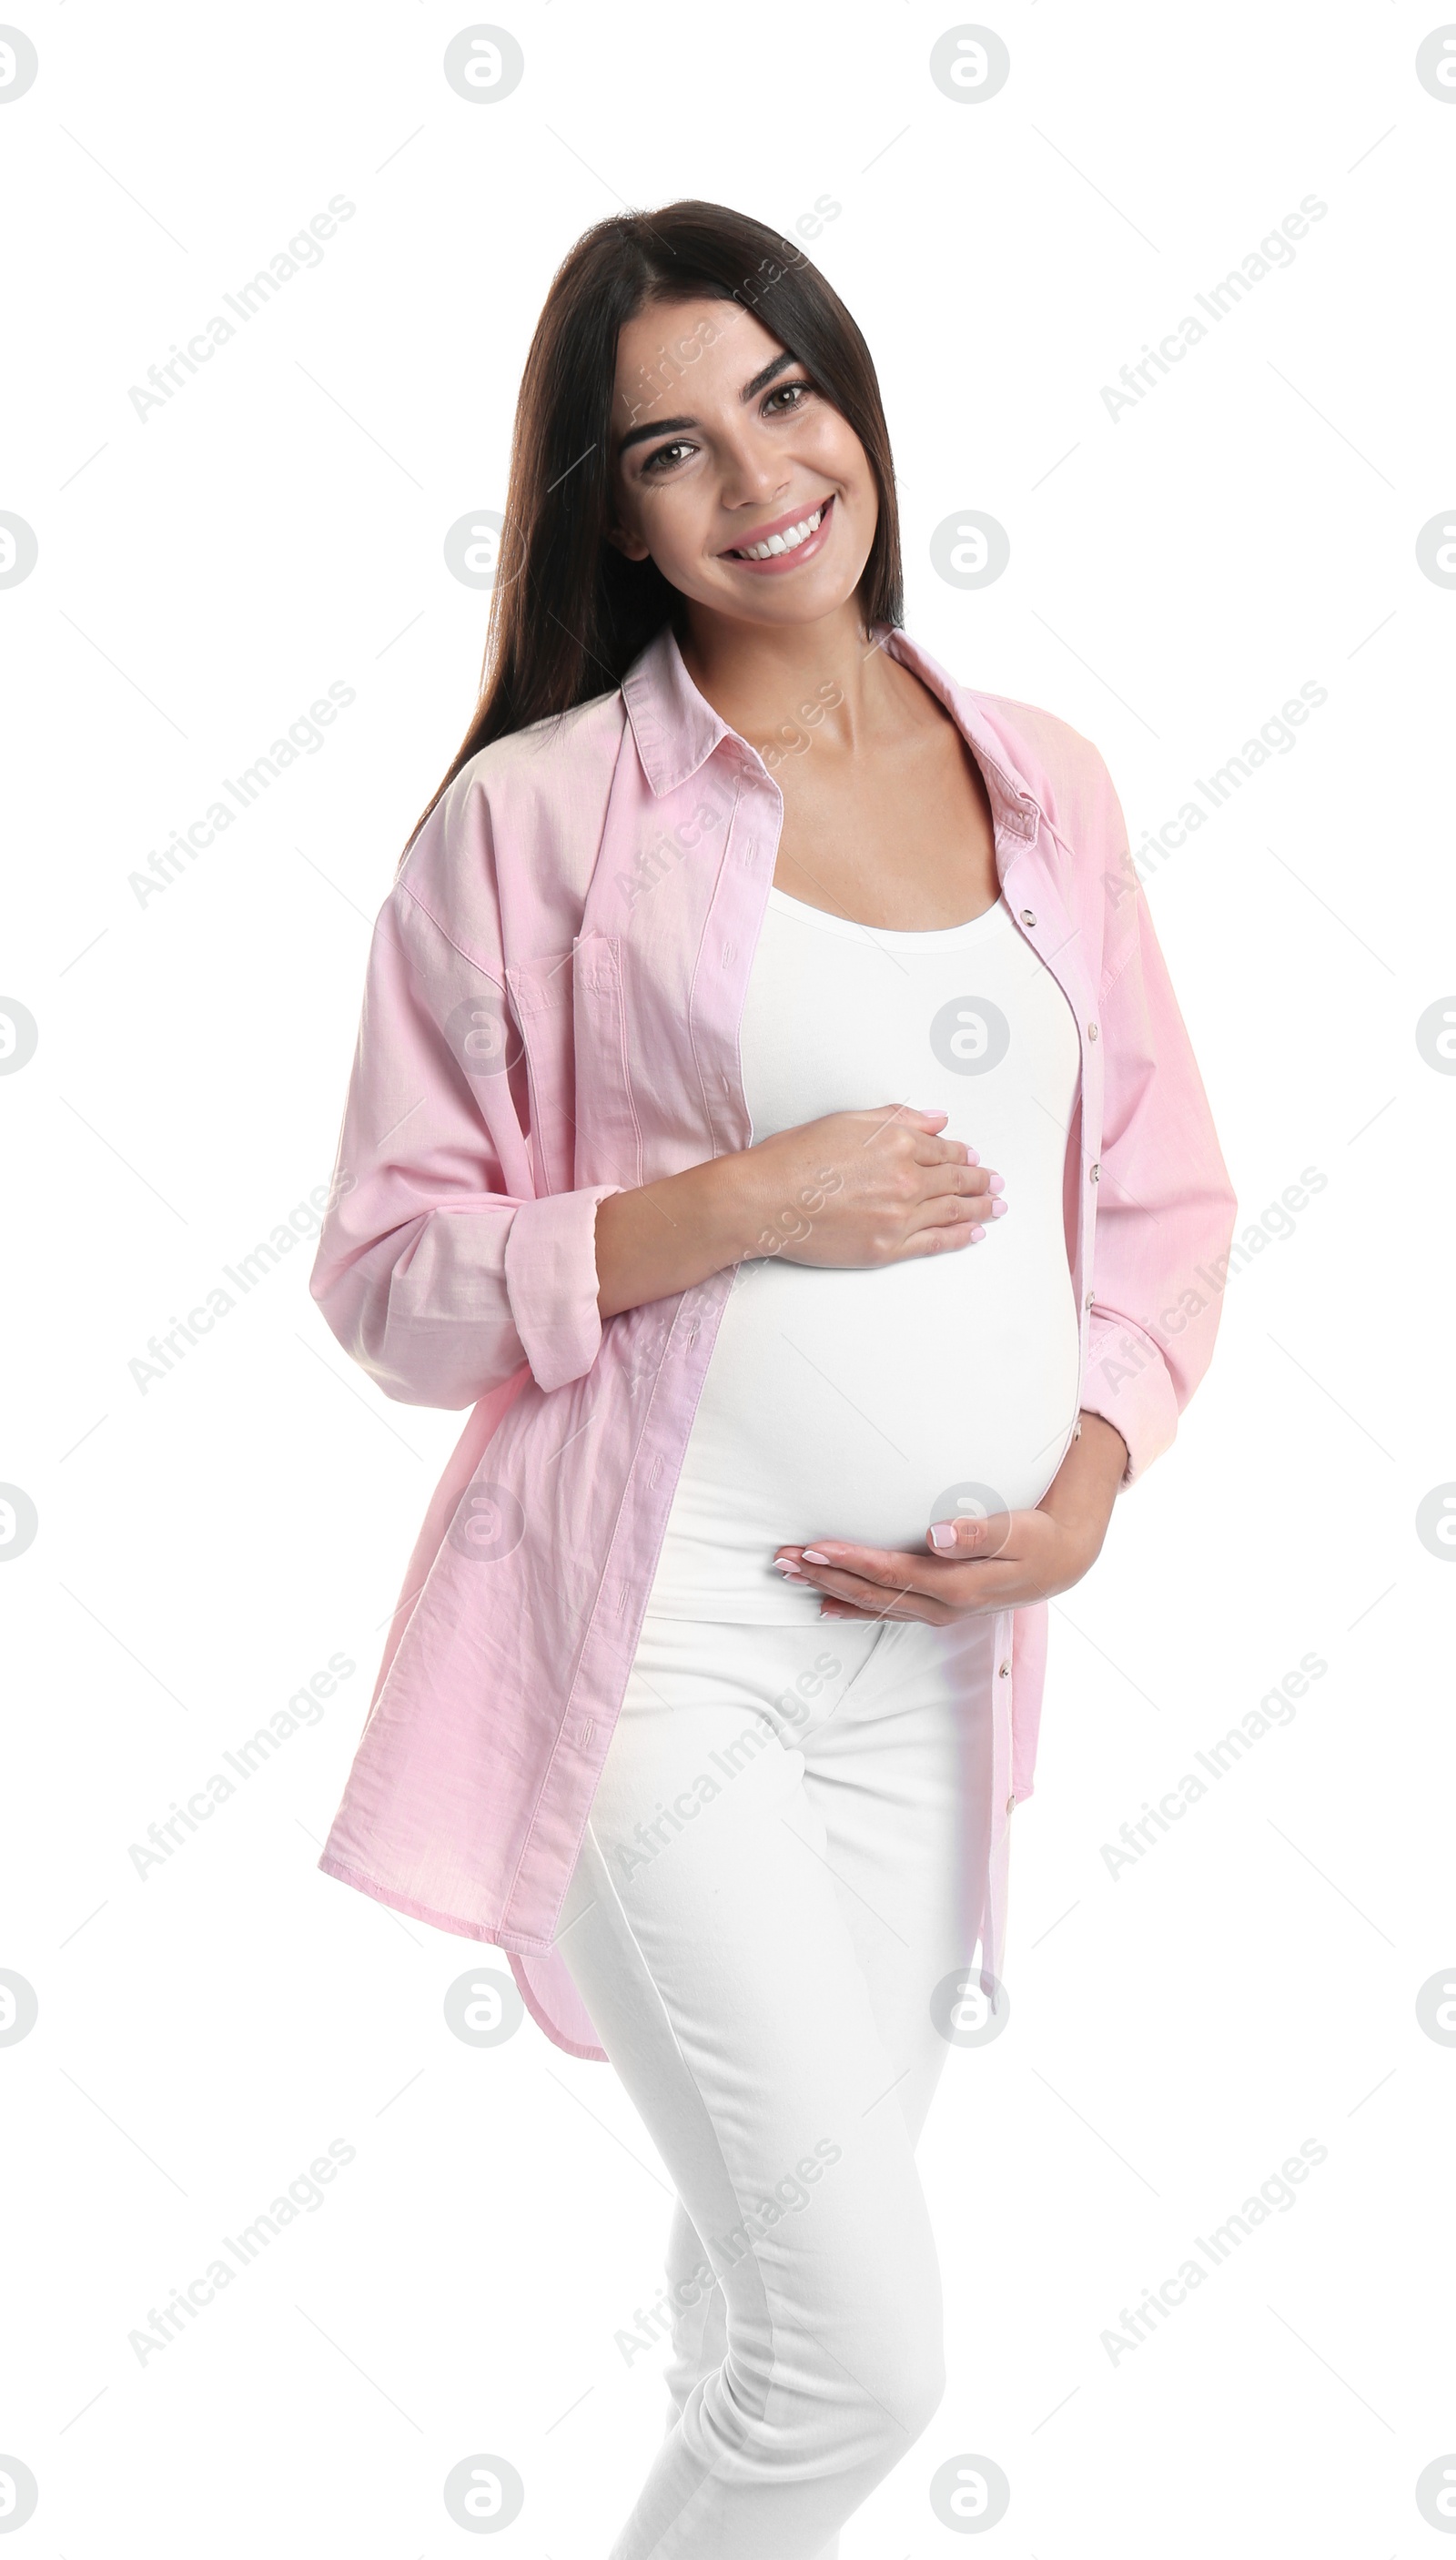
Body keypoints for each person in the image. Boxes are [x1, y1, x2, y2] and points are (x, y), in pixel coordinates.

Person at [309, 200, 1237, 2558]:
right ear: (608, 516)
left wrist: (1095, 1481)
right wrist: (730, 1205)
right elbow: (390, 1279)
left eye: (785, 399)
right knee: (856, 2362)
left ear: (855, 402)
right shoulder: (534, 826)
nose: (757, 481)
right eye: (668, 452)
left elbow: (1158, 1197)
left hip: (935, 1669)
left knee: (756, 2311)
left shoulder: (1041, 782)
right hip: (658, 1662)